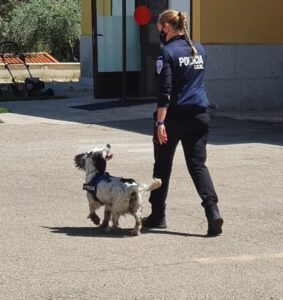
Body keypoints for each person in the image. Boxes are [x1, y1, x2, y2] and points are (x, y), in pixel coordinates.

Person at [142, 9, 223, 236]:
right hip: (199, 116)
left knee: (162, 167)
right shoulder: (199, 49)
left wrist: (160, 124)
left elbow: (165, 92)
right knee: (197, 165)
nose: (160, 33)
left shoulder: (166, 53)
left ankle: (158, 215)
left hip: (173, 118)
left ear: (167, 26)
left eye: (159, 29)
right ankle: (212, 211)